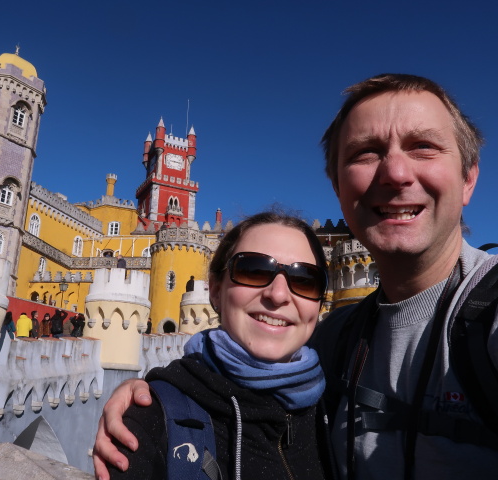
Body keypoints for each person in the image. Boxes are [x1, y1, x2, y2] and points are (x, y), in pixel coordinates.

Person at [93, 74, 498, 480]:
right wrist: (155, 397)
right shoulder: (332, 343)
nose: (395, 172)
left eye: (423, 147)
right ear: (339, 188)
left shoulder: (488, 317)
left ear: (468, 179)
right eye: (366, 152)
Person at [104, 211, 330, 479]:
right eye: (254, 270)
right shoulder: (155, 417)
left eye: (305, 279)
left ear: (320, 303)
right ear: (214, 290)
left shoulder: (339, 405)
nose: (278, 294)